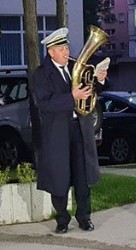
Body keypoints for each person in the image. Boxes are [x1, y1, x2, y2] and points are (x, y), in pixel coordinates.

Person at [31, 28, 107, 234]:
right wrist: (71, 97)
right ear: (51, 52)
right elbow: (44, 103)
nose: (66, 52)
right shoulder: (40, 74)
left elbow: (90, 93)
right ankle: (62, 219)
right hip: (56, 132)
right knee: (59, 176)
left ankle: (84, 217)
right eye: (62, 49)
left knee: (82, 176)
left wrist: (98, 80)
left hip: (79, 129)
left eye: (66, 48)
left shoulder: (76, 67)